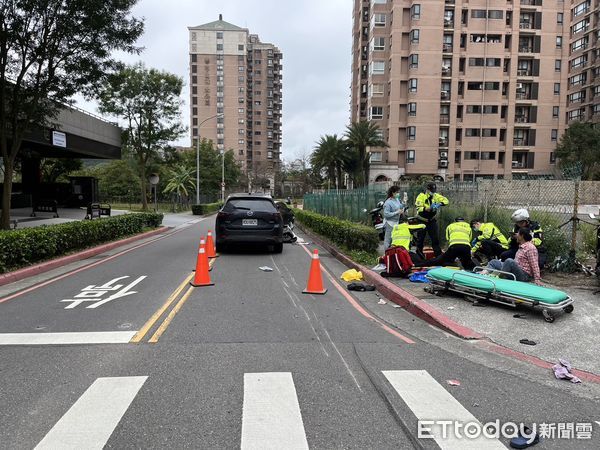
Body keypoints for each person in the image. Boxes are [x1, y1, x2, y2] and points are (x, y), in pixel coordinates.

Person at [415, 182, 449, 257]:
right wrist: (426, 208)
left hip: (432, 220)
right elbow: (418, 208)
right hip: (422, 220)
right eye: (431, 191)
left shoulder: (436, 195)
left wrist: (440, 204)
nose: (432, 192)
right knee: (420, 239)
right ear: (427, 189)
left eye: (434, 191)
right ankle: (419, 255)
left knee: (435, 239)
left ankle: (438, 256)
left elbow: (446, 200)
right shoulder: (421, 196)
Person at [382, 185, 404, 250]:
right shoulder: (388, 203)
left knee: (393, 240)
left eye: (398, 192)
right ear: (392, 193)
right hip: (389, 223)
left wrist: (403, 204)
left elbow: (400, 206)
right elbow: (386, 215)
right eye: (397, 192)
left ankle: (392, 255)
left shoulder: (396, 199)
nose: (398, 194)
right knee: (388, 240)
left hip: (396, 222)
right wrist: (397, 212)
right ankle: (386, 255)